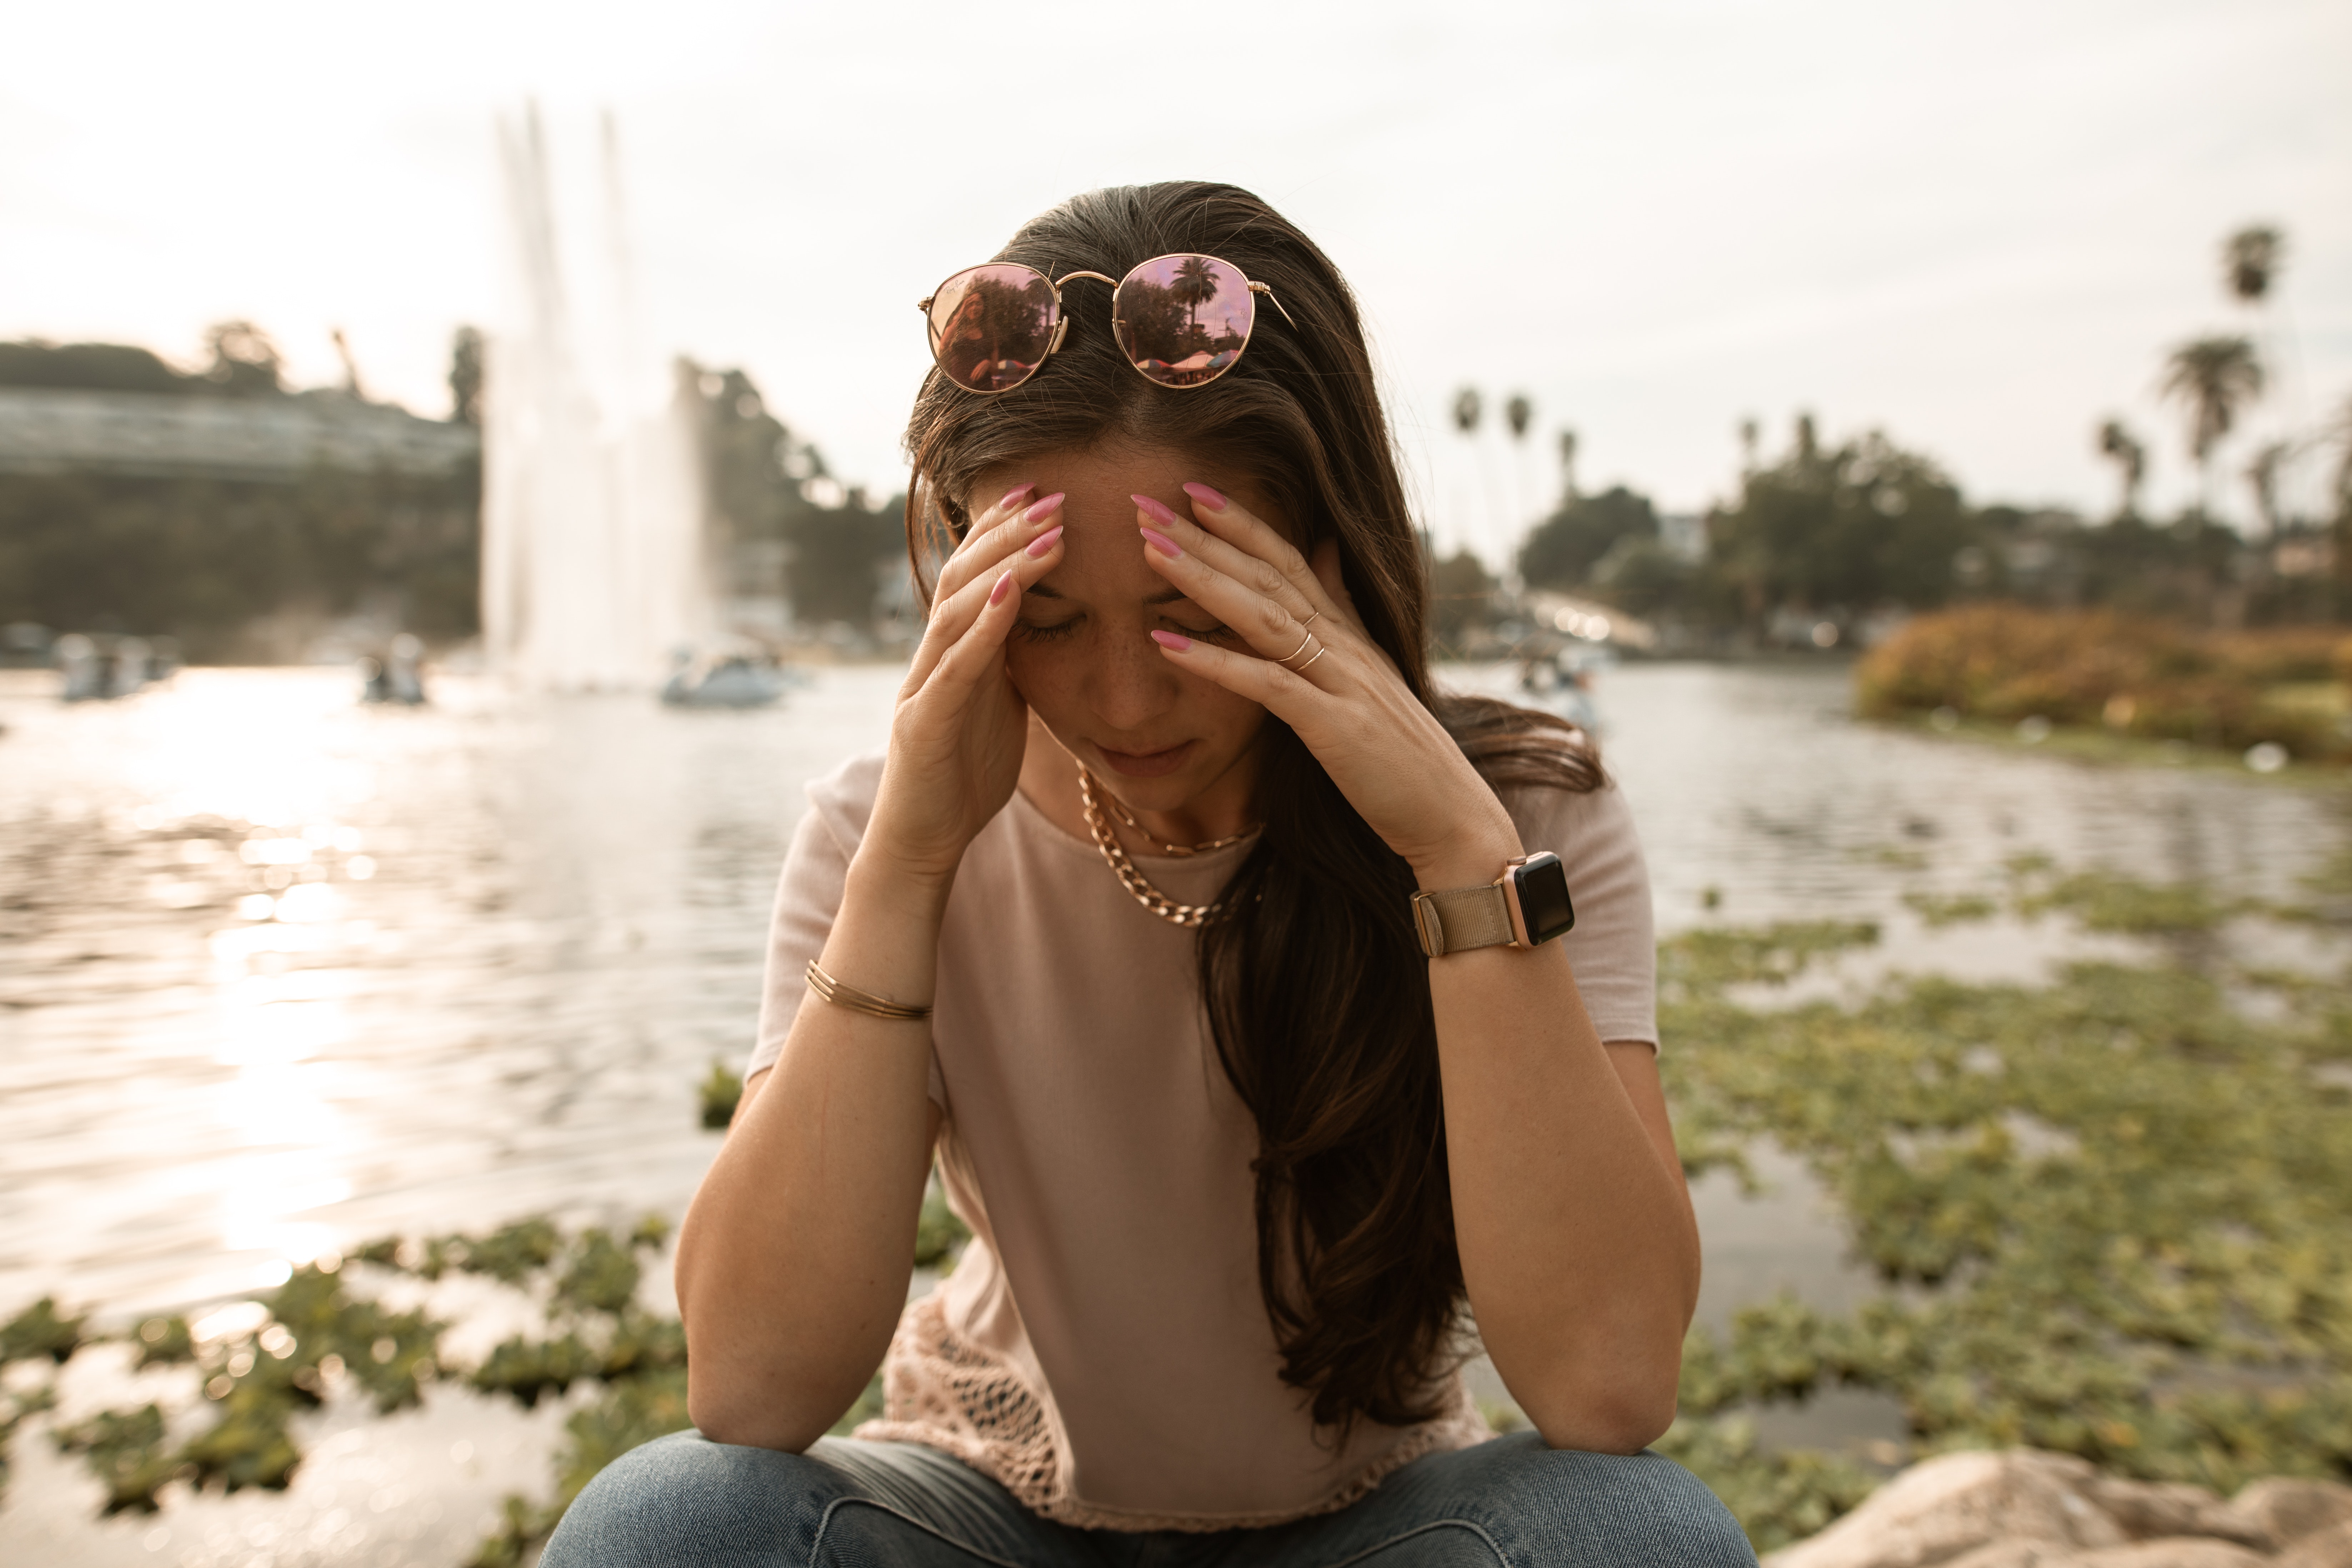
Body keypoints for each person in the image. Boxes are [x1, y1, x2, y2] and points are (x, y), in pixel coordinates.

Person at [546, 181, 1754, 1567]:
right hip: (996, 1513)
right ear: (965, 578)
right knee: (678, 1523)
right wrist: (913, 863)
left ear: (1328, 555)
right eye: (1047, 619)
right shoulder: (884, 831)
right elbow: (753, 1392)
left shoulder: (1521, 816)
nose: (1123, 701)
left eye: (1192, 612)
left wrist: (1459, 857)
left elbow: (1608, 1386)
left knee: (1634, 1538)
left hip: (1375, 1529)